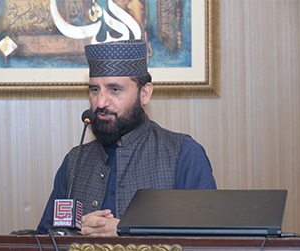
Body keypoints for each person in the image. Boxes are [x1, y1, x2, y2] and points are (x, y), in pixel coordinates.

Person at [36, 40, 216, 236]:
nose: (101, 102)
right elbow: (45, 239)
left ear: (144, 94)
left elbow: (206, 238)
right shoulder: (75, 161)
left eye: (115, 90)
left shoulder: (182, 154)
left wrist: (128, 231)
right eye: (95, 90)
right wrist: (75, 233)